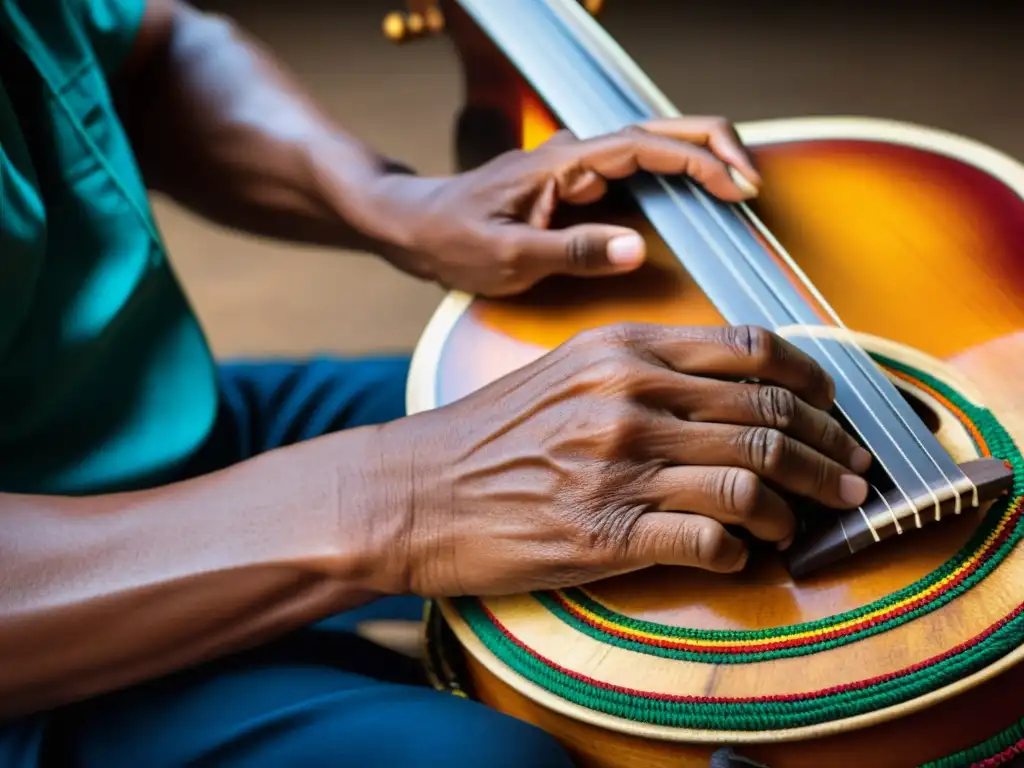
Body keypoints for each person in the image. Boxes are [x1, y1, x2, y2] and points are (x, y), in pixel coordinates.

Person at [0, 1, 874, 765]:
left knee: (676, 419)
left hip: (156, 418)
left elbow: (153, 46)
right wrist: (398, 499)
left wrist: (389, 203)